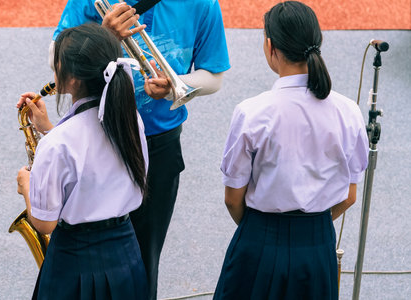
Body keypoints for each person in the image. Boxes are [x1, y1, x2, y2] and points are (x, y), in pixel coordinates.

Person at [50, 1, 231, 299]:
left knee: (145, 256)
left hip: (159, 145)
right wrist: (104, 36)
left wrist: (176, 84)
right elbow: (55, 59)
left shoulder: (202, 4)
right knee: (80, 247)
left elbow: (213, 77)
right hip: (94, 135)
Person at [213, 1, 369, 299]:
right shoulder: (348, 111)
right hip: (317, 243)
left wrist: (263, 230)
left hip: (259, 241)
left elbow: (233, 199)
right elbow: (349, 196)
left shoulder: (252, 112)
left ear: (270, 46)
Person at [16, 23, 149, 299]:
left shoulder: (59, 144)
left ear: (74, 80)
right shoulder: (130, 120)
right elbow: (95, 158)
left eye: (57, 66)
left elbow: (43, 224)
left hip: (74, 262)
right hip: (126, 253)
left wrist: (26, 185)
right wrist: (49, 128)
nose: (54, 72)